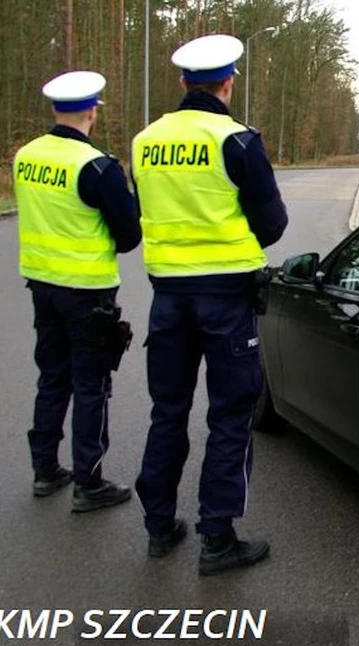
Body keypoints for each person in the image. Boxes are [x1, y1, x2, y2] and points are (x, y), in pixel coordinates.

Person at [132, 34, 287, 574]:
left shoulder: (144, 141)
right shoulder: (237, 141)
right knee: (229, 414)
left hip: (168, 299)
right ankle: (217, 540)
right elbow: (272, 224)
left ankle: (158, 527)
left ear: (181, 82)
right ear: (229, 82)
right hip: (225, 301)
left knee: (167, 412)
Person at [14, 71, 141, 511]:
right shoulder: (97, 167)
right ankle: (90, 482)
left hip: (42, 286)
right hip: (87, 292)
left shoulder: (25, 156)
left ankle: (45, 471)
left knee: (52, 378)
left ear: (53, 109)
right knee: (91, 385)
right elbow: (128, 237)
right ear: (92, 110)